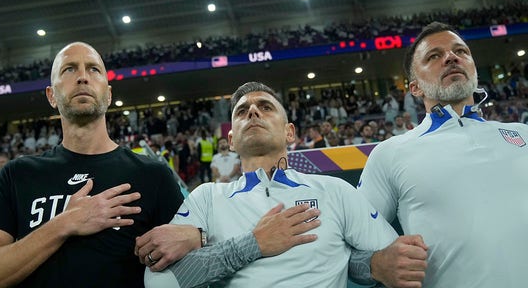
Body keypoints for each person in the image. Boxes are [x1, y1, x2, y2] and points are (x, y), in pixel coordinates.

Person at [140, 82, 427, 288]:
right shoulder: (206, 197)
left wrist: (375, 266)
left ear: (290, 132)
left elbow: (390, 256)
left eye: (265, 107)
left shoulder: (334, 191)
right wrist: (253, 244)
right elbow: (160, 281)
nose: (252, 112)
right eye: (242, 112)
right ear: (231, 141)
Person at [0, 42, 185, 287]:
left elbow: (188, 259)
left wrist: (197, 237)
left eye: (93, 69)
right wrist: (65, 223)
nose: (82, 77)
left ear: (109, 94)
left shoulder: (153, 175)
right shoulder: (18, 175)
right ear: (51, 96)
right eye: (69, 69)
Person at [358, 22, 528, 287]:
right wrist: (375, 265)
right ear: (415, 88)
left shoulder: (522, 135)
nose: (451, 57)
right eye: (434, 56)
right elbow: (352, 243)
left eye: (461, 51)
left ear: (473, 69)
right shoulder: (390, 154)